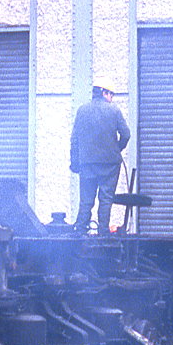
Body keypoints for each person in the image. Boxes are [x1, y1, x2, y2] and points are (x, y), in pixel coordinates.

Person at [70, 81, 130, 234]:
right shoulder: (114, 111)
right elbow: (126, 134)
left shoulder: (82, 111)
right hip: (109, 164)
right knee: (106, 199)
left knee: (86, 200)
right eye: (111, 95)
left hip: (87, 164)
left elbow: (74, 139)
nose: (112, 98)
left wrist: (75, 162)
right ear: (104, 92)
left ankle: (80, 230)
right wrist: (116, 149)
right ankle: (103, 231)